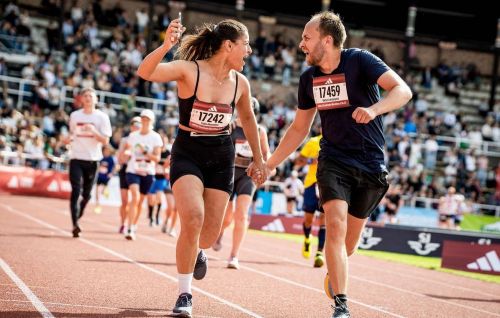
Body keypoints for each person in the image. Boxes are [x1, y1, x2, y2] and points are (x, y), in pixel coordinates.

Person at [253, 11, 412, 317]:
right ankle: (341, 305)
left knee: (347, 247)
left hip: (370, 165)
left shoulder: (360, 61)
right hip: (333, 161)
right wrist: (270, 163)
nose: (301, 44)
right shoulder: (308, 79)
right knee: (334, 228)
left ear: (327, 40)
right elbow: (299, 129)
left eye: (306, 38)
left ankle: (336, 272)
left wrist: (375, 109)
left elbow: (402, 90)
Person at [137, 17, 267, 317]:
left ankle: (197, 251)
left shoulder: (240, 83)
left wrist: (260, 160)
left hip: (222, 155)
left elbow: (248, 120)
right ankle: (185, 294)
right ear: (229, 45)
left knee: (207, 237)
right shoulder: (189, 70)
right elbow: (145, 71)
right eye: (245, 45)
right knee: (192, 218)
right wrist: (167, 46)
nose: (248, 52)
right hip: (188, 151)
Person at [212, 97, 270, 270]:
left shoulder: (260, 131)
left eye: (251, 109)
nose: (247, 111)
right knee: (227, 216)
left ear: (255, 111)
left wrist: (261, 166)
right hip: (229, 172)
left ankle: (234, 255)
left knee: (242, 215)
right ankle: (220, 232)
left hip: (248, 176)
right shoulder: (230, 126)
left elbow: (266, 155)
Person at [68, 87, 112, 238]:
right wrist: (68, 139)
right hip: (76, 157)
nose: (87, 98)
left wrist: (93, 131)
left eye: (90, 96)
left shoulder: (102, 117)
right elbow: (71, 134)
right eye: (85, 96)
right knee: (76, 190)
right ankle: (75, 224)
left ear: (96, 100)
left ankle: (78, 217)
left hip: (93, 159)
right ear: (81, 99)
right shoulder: (74, 115)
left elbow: (106, 140)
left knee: (87, 195)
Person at [123, 109, 163, 240]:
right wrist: (127, 153)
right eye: (143, 118)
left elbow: (157, 158)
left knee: (140, 202)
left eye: (147, 119)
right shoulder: (134, 135)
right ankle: (129, 228)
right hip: (133, 170)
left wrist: (145, 153)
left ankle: (134, 225)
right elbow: (128, 149)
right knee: (134, 197)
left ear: (152, 121)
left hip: (148, 172)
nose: (145, 121)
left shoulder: (155, 137)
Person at [294, 132, 326, 268]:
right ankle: (307, 238)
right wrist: (312, 160)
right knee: (309, 219)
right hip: (311, 184)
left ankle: (319, 252)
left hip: (327, 185)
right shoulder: (313, 142)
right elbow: (298, 161)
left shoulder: (338, 141)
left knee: (324, 219)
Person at [116, 116, 142, 234]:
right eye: (134, 125)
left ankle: (133, 223)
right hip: (125, 169)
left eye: (138, 125)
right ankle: (123, 223)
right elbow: (120, 157)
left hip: (138, 170)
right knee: (125, 200)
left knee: (136, 199)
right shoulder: (125, 140)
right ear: (131, 127)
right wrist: (126, 154)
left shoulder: (145, 140)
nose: (136, 127)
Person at [147, 134, 170, 227]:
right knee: (151, 199)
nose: (163, 143)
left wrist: (164, 166)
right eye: (162, 141)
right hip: (153, 176)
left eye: (165, 141)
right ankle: (151, 216)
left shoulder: (168, 153)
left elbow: (168, 164)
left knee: (159, 197)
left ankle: (157, 216)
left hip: (162, 178)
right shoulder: (155, 151)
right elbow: (151, 160)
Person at [94, 145, 116, 214]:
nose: (106, 152)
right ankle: (97, 204)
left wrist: (111, 174)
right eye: (105, 150)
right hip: (99, 177)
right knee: (97, 191)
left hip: (106, 177)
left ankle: (105, 191)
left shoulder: (111, 159)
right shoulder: (100, 157)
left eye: (108, 151)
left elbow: (115, 167)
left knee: (102, 190)